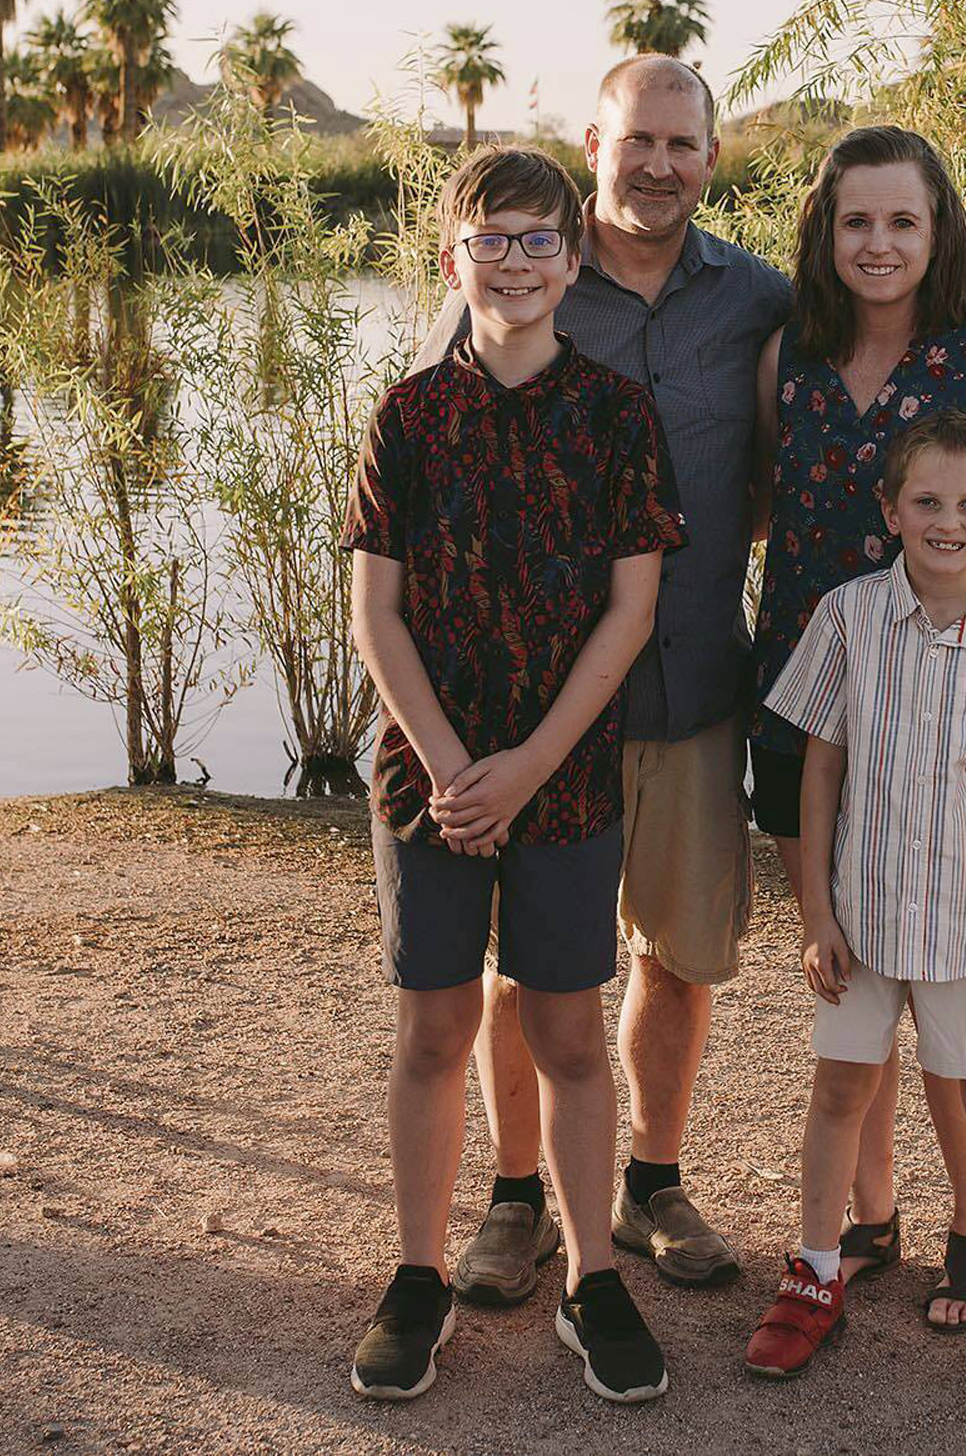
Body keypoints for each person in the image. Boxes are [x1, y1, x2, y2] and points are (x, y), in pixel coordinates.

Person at [412, 55, 791, 1301]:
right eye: (640, 140)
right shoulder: (525, 270)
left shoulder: (757, 302)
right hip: (530, 707)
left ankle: (651, 1184)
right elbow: (430, 461)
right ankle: (516, 1196)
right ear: (595, 142)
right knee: (527, 970)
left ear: (712, 157)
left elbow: (798, 469)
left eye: (684, 144)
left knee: (677, 955)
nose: (661, 165)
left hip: (686, 683)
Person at [343, 145, 687, 1405]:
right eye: (494, 238)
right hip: (424, 779)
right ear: (456, 259)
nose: (519, 260)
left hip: (568, 778)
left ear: (574, 259)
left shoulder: (614, 417)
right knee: (435, 1025)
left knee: (565, 1030)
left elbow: (630, 613)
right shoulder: (407, 415)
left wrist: (528, 767)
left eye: (542, 239)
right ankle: (418, 1276)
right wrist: (450, 767)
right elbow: (376, 615)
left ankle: (592, 1278)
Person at [749, 125, 966, 1330]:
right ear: (823, 230)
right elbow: (756, 508)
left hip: (958, 712)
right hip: (813, 695)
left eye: (901, 220)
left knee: (950, 976)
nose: (877, 243)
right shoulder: (789, 352)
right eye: (855, 220)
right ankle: (863, 1217)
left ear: (935, 229)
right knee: (855, 965)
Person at [745, 412, 966, 1404]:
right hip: (861, 917)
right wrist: (815, 914)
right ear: (889, 510)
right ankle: (813, 1268)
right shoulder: (848, 616)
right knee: (840, 1090)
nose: (946, 521)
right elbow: (818, 772)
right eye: (925, 502)